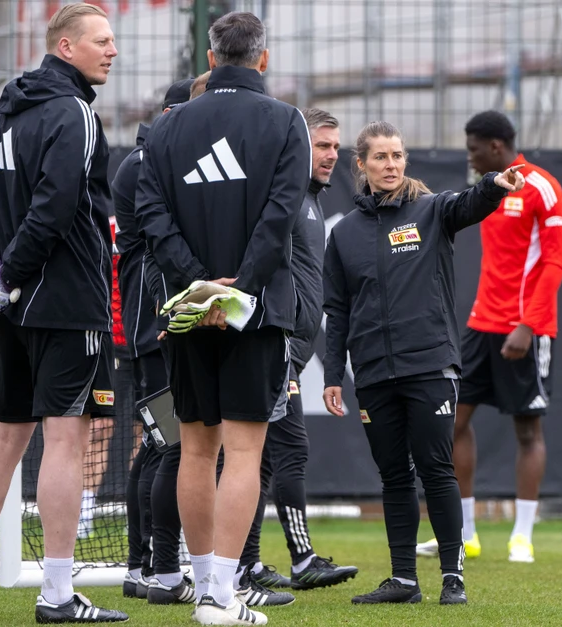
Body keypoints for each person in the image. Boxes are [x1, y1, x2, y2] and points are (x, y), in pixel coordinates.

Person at [0, 3, 128, 622]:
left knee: (6, 435)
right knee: (65, 441)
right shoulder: (74, 112)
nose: (113, 50)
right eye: (102, 41)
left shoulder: (3, 115)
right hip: (67, 303)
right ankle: (57, 594)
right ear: (65, 47)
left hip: (13, 309)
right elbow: (55, 207)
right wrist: (6, 276)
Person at [136, 11, 309, 625]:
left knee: (194, 449)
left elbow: (151, 215)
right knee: (242, 452)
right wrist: (238, 291)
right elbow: (281, 215)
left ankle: (207, 582)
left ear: (210, 59)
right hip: (254, 314)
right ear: (263, 58)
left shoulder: (166, 126)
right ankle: (219, 595)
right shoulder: (287, 121)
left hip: (188, 311)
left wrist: (198, 287)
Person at [322, 120, 525, 606]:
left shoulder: (432, 209)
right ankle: (404, 580)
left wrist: (494, 185)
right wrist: (332, 375)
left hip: (430, 366)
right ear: (362, 165)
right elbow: (338, 311)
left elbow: (469, 204)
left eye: (397, 155)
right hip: (373, 373)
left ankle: (453, 578)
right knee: (394, 476)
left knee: (436, 469)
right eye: (380, 157)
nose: (390, 165)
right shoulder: (344, 234)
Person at [415, 110, 562, 565]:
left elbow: (554, 263)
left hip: (525, 329)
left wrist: (528, 324)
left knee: (527, 429)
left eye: (473, 149)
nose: (470, 157)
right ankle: (465, 534)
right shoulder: (489, 190)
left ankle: (522, 536)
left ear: (496, 147)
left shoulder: (543, 187)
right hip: (481, 325)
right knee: (453, 423)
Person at [237, 108, 359, 595]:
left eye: (336, 147)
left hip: (292, 349)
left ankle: (245, 563)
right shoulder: (284, 196)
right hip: (276, 347)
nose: (331, 155)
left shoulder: (308, 201)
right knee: (285, 449)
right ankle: (294, 559)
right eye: (321, 145)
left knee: (264, 458)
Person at [110, 78, 195, 603]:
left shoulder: (150, 160)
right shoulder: (148, 164)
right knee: (172, 446)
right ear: (170, 115)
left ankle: (142, 566)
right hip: (155, 328)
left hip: (155, 324)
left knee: (159, 446)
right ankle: (159, 569)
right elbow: (163, 245)